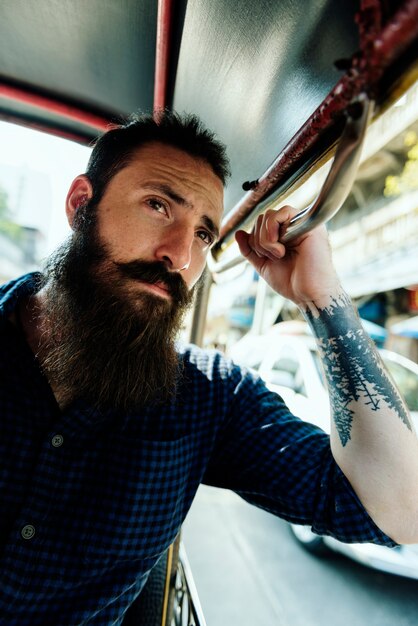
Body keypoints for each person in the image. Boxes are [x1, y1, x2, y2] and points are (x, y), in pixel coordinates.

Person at [1, 111, 417, 625]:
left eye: (202, 234)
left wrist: (321, 296)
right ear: (81, 204)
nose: (179, 255)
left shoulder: (207, 397)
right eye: (158, 205)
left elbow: (402, 510)